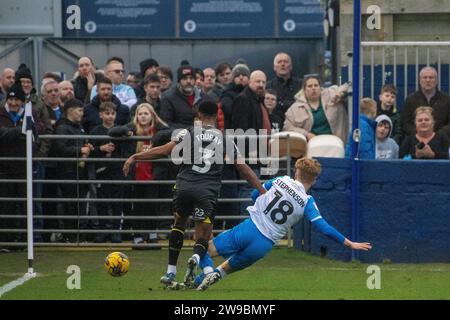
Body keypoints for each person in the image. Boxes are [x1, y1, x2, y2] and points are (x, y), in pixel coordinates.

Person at [122, 101, 265, 289]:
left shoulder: (187, 132)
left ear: (198, 114)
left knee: (178, 225)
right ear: (217, 115)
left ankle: (170, 271)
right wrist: (262, 191)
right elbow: (244, 169)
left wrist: (135, 157)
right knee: (203, 233)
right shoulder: (225, 139)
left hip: (183, 187)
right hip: (206, 191)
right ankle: (198, 260)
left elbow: (165, 150)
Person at [193, 158, 372, 291]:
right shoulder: (307, 201)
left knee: (206, 250)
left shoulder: (281, 180)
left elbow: (256, 194)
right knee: (223, 270)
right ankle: (199, 282)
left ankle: (197, 279)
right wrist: (349, 243)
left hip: (250, 228)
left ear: (296, 172)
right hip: (264, 245)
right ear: (314, 180)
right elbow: (323, 227)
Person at [110, 103, 172, 247]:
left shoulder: (159, 130)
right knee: (137, 207)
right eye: (140, 114)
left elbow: (171, 131)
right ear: (136, 116)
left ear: (152, 116)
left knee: (152, 206)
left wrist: (156, 136)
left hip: (154, 174)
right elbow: (113, 132)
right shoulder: (131, 129)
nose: (143, 116)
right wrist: (126, 132)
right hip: (136, 175)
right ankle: (138, 236)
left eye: (146, 113)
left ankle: (151, 235)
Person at [0, 84, 44, 248]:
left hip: (24, 167)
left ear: (21, 100)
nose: (13, 103)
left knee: (24, 205)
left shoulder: (29, 112)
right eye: (10, 99)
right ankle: (6, 240)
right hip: (4, 168)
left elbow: (38, 128)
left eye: (16, 99)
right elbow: (1, 133)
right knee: (6, 205)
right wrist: (20, 132)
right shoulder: (1, 113)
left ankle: (23, 240)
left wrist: (25, 131)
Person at [50, 99, 93, 242]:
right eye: (79, 110)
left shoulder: (77, 127)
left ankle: (75, 234)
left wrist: (87, 147)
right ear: (71, 110)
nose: (82, 113)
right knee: (70, 204)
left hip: (78, 170)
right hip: (67, 171)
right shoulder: (63, 127)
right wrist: (80, 149)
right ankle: (70, 235)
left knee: (76, 204)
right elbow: (59, 148)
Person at [283, 75, 349, 143]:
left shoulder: (331, 94)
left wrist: (341, 94)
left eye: (316, 85)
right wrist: (306, 134)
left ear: (320, 88)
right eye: (310, 86)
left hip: (336, 144)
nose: (313, 88)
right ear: (304, 90)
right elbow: (287, 127)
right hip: (311, 146)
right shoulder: (295, 108)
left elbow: (349, 86)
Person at [400, 66, 450, 140]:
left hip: (441, 141)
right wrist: (420, 134)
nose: (428, 80)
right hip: (417, 141)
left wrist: (437, 135)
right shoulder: (410, 99)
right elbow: (405, 123)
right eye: (425, 77)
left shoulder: (447, 99)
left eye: (431, 77)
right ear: (420, 80)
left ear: (436, 80)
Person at [159, 64, 211, 129]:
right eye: (185, 78)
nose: (188, 81)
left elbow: (212, 122)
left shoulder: (205, 98)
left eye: (191, 78)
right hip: (179, 137)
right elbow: (165, 124)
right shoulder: (168, 98)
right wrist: (189, 129)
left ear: (194, 80)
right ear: (179, 81)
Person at [266, 52, 302, 120]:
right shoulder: (268, 87)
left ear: (291, 66)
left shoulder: (301, 85)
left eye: (285, 62)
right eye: (279, 62)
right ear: (274, 67)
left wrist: (279, 103)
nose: (282, 64)